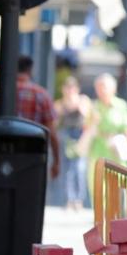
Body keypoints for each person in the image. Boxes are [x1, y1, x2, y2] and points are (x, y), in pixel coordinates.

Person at [0, 55, 60, 180]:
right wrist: (56, 162)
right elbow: (52, 133)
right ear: (30, 71)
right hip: (32, 159)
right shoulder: (41, 95)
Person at [81, 73, 127, 205]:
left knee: (120, 188)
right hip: (98, 151)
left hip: (117, 151)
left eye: (104, 87)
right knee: (99, 189)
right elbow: (86, 129)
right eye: (99, 87)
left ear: (113, 89)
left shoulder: (120, 105)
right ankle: (101, 221)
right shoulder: (94, 107)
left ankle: (119, 219)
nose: (101, 90)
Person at [55, 77, 90, 210]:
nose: (69, 91)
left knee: (80, 168)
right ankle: (69, 199)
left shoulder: (83, 100)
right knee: (67, 170)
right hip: (66, 136)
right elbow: (56, 121)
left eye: (72, 88)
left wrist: (75, 104)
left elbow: (87, 116)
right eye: (67, 88)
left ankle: (79, 199)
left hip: (80, 135)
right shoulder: (60, 103)